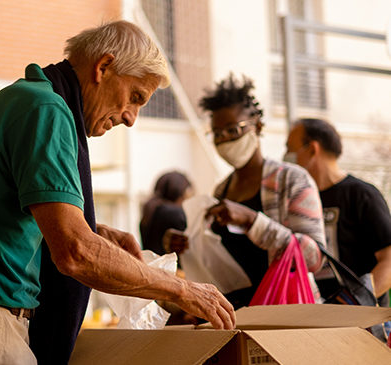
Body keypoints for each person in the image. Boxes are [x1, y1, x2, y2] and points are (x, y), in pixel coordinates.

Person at [0, 21, 235, 365]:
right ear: (104, 67)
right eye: (135, 97)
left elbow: (8, 222)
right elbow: (75, 252)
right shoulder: (47, 109)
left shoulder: (19, 99)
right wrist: (181, 290)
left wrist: (96, 231)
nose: (131, 118)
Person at [164, 74, 325, 310]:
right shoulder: (222, 190)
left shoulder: (292, 180)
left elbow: (314, 258)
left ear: (257, 126)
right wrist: (186, 246)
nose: (225, 140)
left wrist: (253, 221)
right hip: (239, 316)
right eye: (217, 134)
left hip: (287, 314)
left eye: (233, 130)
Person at [285, 118, 391, 307]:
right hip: (313, 318)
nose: (285, 157)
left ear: (312, 149)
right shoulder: (295, 202)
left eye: (290, 150)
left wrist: (354, 301)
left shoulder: (361, 195)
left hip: (362, 325)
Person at [140, 171, 192, 255]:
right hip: (170, 266)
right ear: (180, 192)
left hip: (151, 264)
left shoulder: (150, 209)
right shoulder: (175, 213)